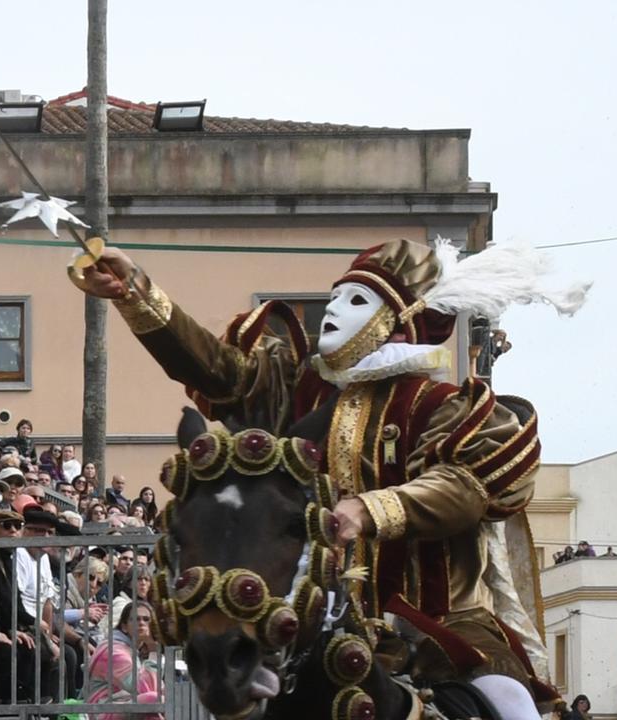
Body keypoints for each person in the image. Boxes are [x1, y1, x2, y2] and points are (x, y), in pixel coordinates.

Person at [74, 239, 588, 712]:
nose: (336, 309)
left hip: (436, 629)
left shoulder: (442, 407)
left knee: (507, 699)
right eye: (336, 296)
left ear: (399, 318)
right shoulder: (297, 388)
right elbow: (218, 369)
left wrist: (371, 509)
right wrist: (135, 294)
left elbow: (468, 486)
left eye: (359, 299)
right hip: (308, 618)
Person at [83, 600, 163, 720]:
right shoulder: (113, 650)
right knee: (154, 699)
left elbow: (158, 687)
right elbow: (144, 689)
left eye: (146, 619)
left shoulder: (135, 650)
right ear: (124, 627)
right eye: (135, 619)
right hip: (102, 711)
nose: (141, 623)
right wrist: (153, 651)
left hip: (126, 704)